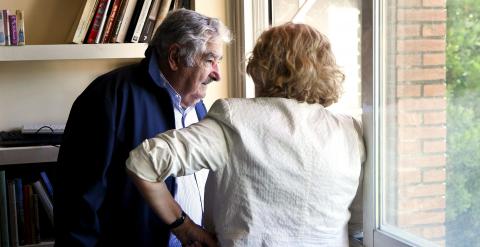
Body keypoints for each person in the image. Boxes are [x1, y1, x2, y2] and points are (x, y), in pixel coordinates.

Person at [126, 23, 365, 247]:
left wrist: (184, 228)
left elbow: (143, 162)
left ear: (261, 68)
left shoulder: (236, 119)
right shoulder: (349, 131)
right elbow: (357, 225)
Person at [54, 9, 231, 247]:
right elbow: (77, 200)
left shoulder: (199, 106)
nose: (217, 74)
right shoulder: (109, 97)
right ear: (175, 57)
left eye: (218, 61)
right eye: (210, 60)